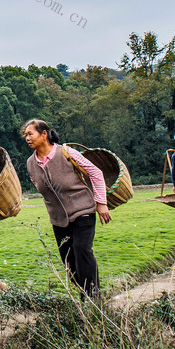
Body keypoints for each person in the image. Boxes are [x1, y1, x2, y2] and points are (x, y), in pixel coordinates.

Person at [23, 119, 112, 297]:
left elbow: (95, 172)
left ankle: (93, 300)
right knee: (68, 261)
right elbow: (38, 184)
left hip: (82, 210)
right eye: (25, 135)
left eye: (30, 134)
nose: (27, 138)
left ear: (44, 134)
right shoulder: (30, 163)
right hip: (58, 219)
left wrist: (101, 203)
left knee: (82, 251)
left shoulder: (66, 152)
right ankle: (84, 295)